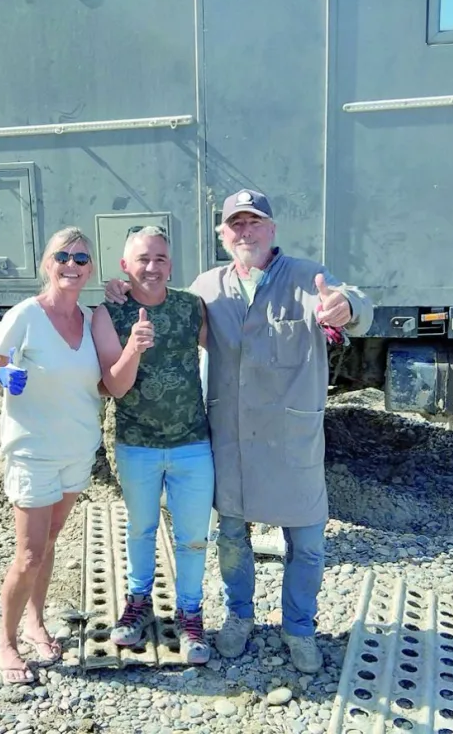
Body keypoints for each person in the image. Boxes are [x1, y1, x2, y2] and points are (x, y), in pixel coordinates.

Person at [105, 189, 373, 673]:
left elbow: (356, 303)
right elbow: (165, 304)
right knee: (232, 537)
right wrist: (125, 293)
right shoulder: (208, 286)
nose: (245, 232)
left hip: (293, 440)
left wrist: (346, 308)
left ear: (272, 229)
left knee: (307, 542)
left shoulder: (305, 277)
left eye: (255, 223)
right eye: (236, 225)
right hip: (231, 439)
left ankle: (299, 627)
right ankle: (238, 617)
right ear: (222, 235)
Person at [0, 226, 104, 685]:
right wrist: (2, 377)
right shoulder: (24, 316)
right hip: (32, 452)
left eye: (81, 259)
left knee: (49, 544)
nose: (72, 266)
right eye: (63, 257)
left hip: (77, 450)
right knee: (29, 554)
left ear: (91, 268)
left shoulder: (91, 320)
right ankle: (6, 643)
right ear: (47, 264)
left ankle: (35, 623)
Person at [90, 225, 215, 664]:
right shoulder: (109, 313)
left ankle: (190, 614)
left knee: (193, 537)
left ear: (171, 265)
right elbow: (116, 386)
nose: (152, 266)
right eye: (142, 259)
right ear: (125, 266)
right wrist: (133, 348)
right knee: (141, 529)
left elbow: (234, 345)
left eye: (160, 258)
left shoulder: (188, 307)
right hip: (137, 444)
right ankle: (138, 603)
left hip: (192, 444)